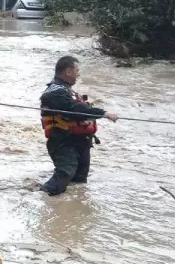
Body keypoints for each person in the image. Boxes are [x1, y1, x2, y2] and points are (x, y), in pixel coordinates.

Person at [40, 56, 118, 196]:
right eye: (77, 70)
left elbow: (79, 109)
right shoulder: (54, 92)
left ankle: (73, 211)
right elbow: (76, 110)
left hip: (81, 142)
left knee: (79, 183)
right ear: (68, 71)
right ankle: (39, 199)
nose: (79, 73)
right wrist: (104, 113)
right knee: (64, 175)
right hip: (63, 142)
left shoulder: (68, 90)